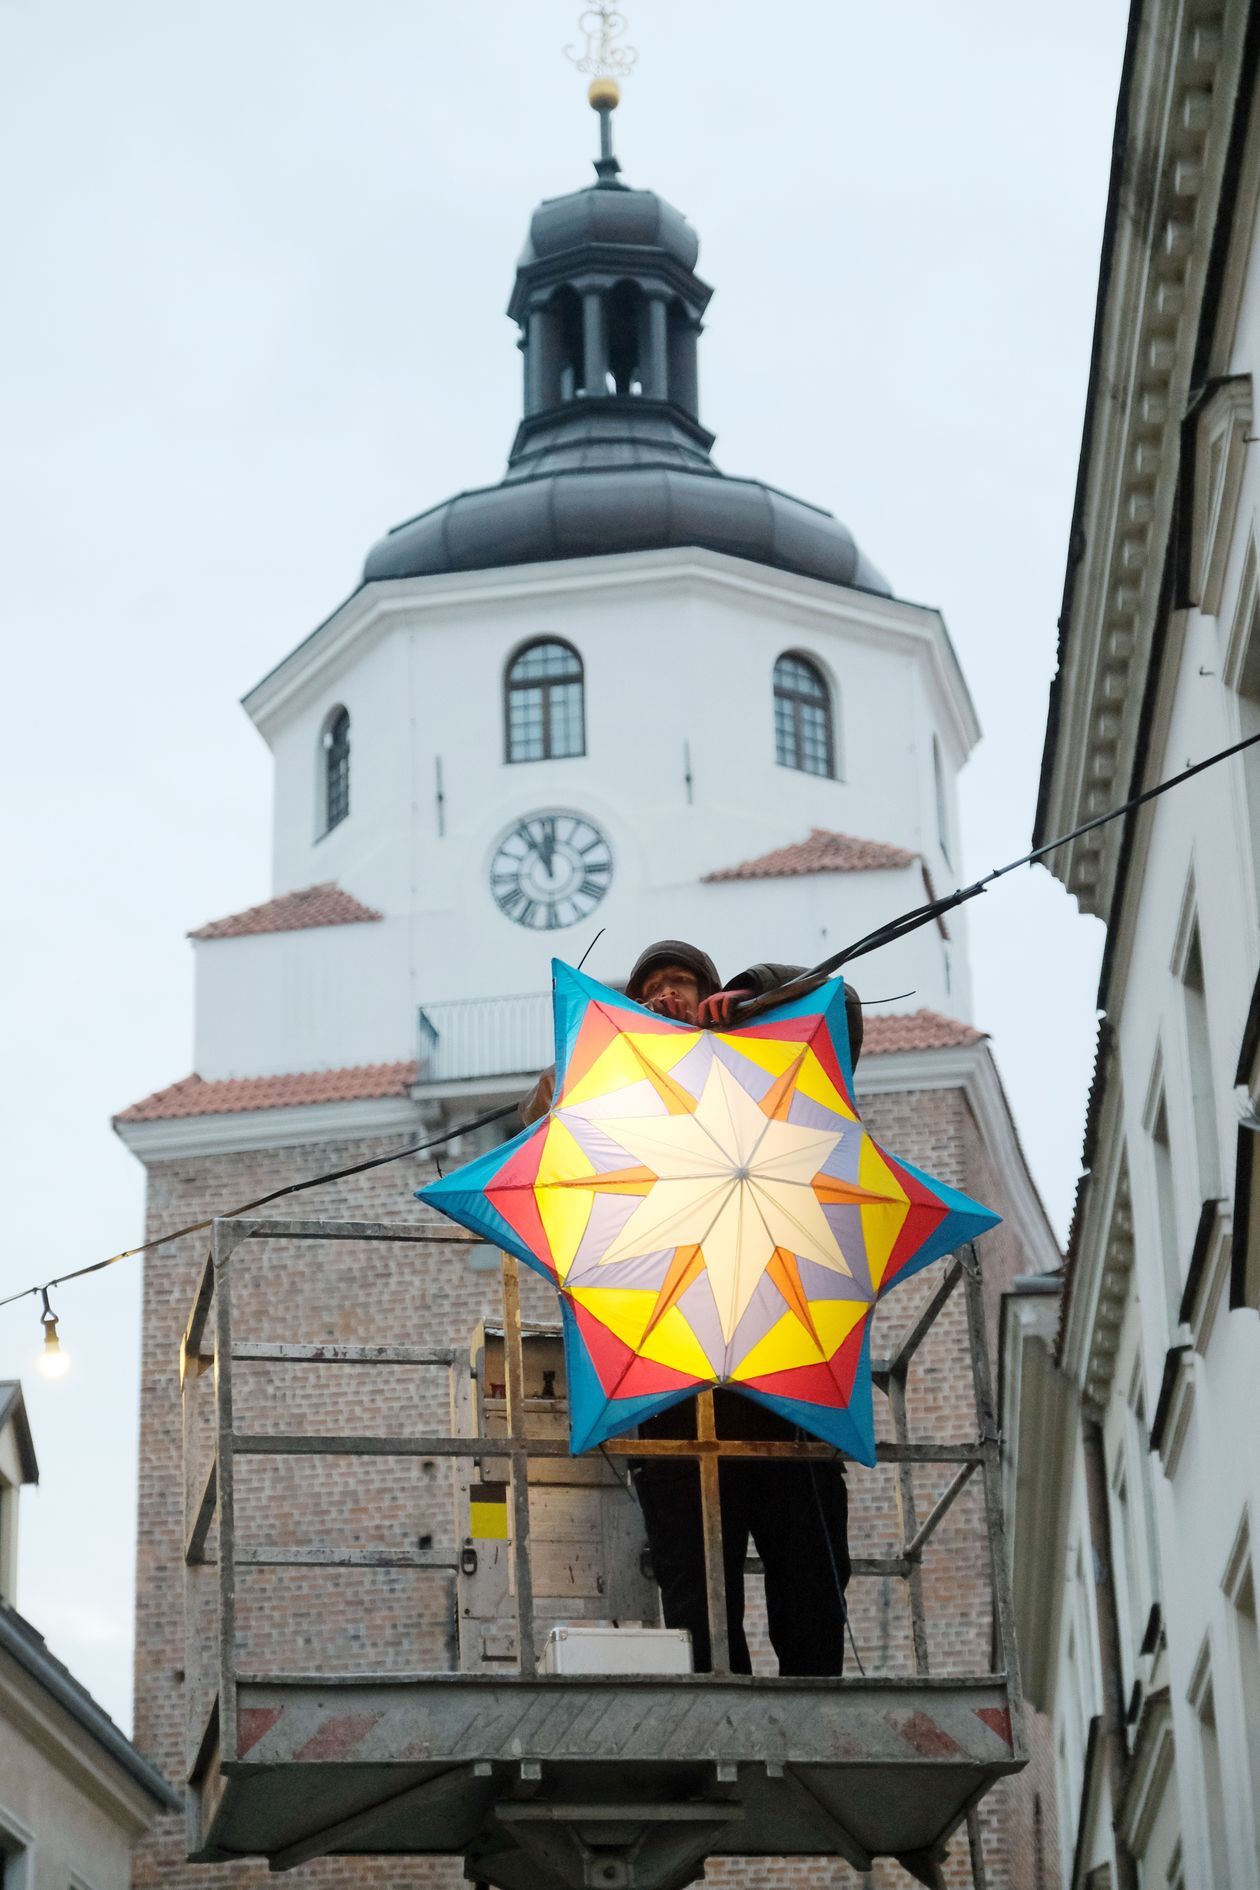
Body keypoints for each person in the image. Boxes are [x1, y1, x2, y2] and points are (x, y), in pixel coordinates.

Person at [521, 940, 859, 1677]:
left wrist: (749, 997)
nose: (664, 996)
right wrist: (603, 1053)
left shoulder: (766, 1066)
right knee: (696, 1585)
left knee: (810, 1570)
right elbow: (538, 1129)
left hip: (784, 1384)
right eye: (648, 990)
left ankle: (815, 1704)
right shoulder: (610, 1092)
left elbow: (840, 1007)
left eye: (681, 985)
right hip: (675, 1388)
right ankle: (724, 1708)